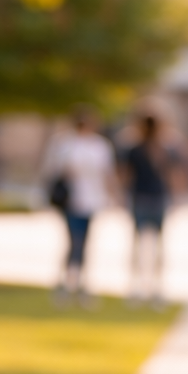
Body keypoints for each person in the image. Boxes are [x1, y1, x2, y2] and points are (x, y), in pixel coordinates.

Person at [44, 107, 116, 307]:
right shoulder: (66, 144)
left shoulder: (100, 146)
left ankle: (82, 284)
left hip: (92, 200)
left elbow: (106, 173)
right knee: (73, 240)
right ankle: (67, 283)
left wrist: (113, 197)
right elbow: (55, 170)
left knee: (85, 242)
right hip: (71, 200)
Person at [119, 113, 188, 307]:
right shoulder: (145, 149)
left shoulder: (158, 149)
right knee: (151, 245)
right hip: (149, 197)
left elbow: (126, 176)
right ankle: (149, 288)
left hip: (147, 197)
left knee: (144, 245)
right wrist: (179, 197)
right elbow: (174, 175)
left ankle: (145, 288)